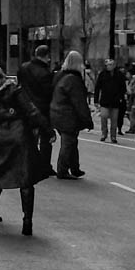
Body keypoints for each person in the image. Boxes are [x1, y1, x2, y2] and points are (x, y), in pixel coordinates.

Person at [0, 61, 55, 236]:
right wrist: (47, 130)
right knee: (26, 180)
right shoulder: (10, 87)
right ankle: (27, 222)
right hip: (20, 135)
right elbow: (30, 110)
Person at [50, 50, 93, 178]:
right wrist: (87, 120)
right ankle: (63, 170)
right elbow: (79, 102)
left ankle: (74, 168)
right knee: (69, 143)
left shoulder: (59, 75)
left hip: (56, 112)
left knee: (71, 142)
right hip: (67, 115)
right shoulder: (73, 80)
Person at [18, 44, 55, 180]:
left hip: (26, 106)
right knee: (46, 139)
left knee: (29, 138)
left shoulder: (24, 68)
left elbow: (20, 86)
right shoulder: (45, 73)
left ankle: (27, 163)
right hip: (42, 108)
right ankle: (44, 166)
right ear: (46, 56)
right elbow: (47, 92)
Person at [94, 56, 127, 143]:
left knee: (114, 120)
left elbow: (123, 87)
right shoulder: (102, 74)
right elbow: (97, 87)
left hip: (116, 101)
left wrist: (121, 97)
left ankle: (113, 136)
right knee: (104, 117)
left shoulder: (119, 75)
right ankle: (104, 133)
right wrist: (96, 100)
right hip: (105, 100)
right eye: (108, 65)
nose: (109, 66)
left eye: (111, 64)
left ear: (114, 65)